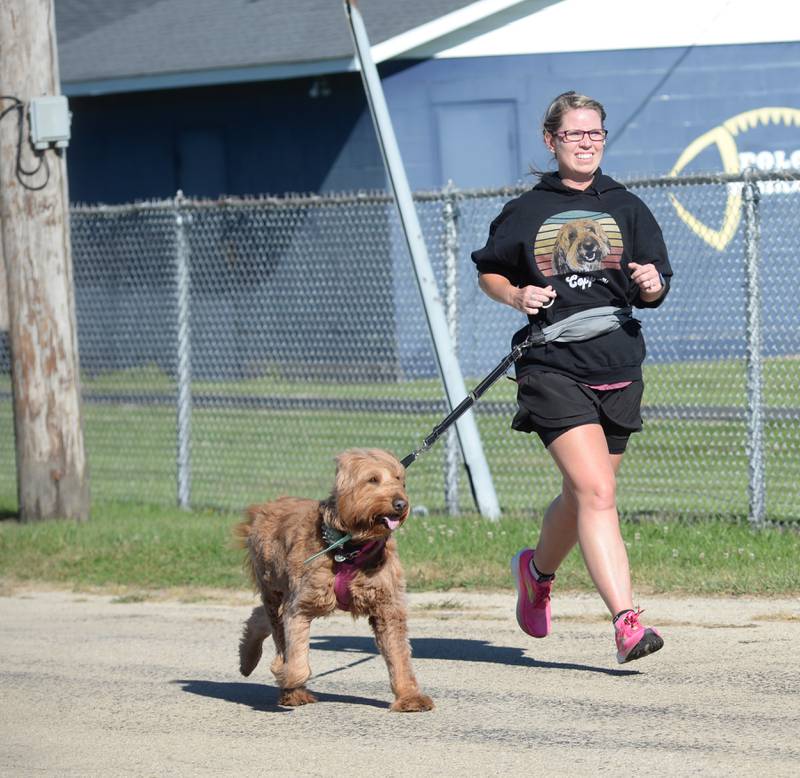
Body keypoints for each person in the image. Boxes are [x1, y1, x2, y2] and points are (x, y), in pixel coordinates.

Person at [471, 91, 672, 664]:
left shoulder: (627, 206)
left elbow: (654, 284)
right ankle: (628, 621)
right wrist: (515, 294)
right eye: (574, 134)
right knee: (598, 492)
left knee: (581, 494)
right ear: (551, 140)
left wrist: (653, 284)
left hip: (618, 365)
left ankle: (536, 572)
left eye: (595, 134)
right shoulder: (526, 210)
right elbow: (489, 269)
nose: (586, 142)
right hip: (551, 365)